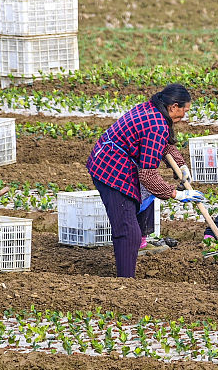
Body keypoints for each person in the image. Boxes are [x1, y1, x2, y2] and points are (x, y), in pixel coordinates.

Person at [86, 84, 204, 277]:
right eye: (185, 111)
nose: (184, 116)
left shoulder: (155, 109)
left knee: (146, 196)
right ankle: (126, 280)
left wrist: (181, 166)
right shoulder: (155, 123)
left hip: (120, 159)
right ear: (174, 106)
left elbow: (163, 145)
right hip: (110, 168)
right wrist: (176, 194)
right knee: (127, 230)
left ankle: (140, 243)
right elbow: (148, 175)